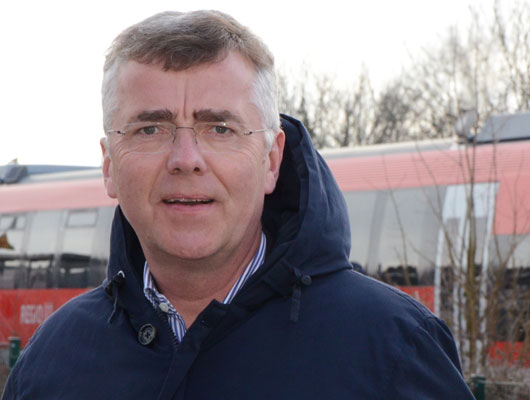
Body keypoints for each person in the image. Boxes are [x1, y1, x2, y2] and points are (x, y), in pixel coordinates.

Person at [2, 10, 474, 399]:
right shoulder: (51, 360)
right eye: (150, 129)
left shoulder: (394, 350)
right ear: (108, 165)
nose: (186, 160)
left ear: (271, 160)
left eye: (219, 129)